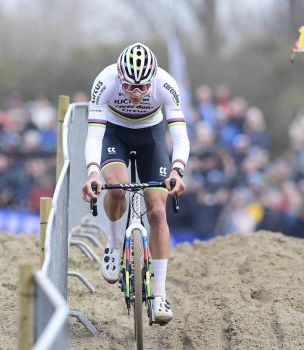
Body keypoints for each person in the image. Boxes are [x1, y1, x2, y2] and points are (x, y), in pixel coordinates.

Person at [81, 42, 190, 325]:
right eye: (130, 87)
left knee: (157, 211)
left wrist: (177, 171)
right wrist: (93, 172)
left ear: (153, 79)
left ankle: (160, 294)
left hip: (150, 137)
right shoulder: (104, 81)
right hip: (114, 135)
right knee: (116, 188)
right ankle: (115, 244)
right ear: (119, 77)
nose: (137, 93)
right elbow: (94, 135)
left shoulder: (166, 84)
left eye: (143, 87)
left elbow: (179, 136)